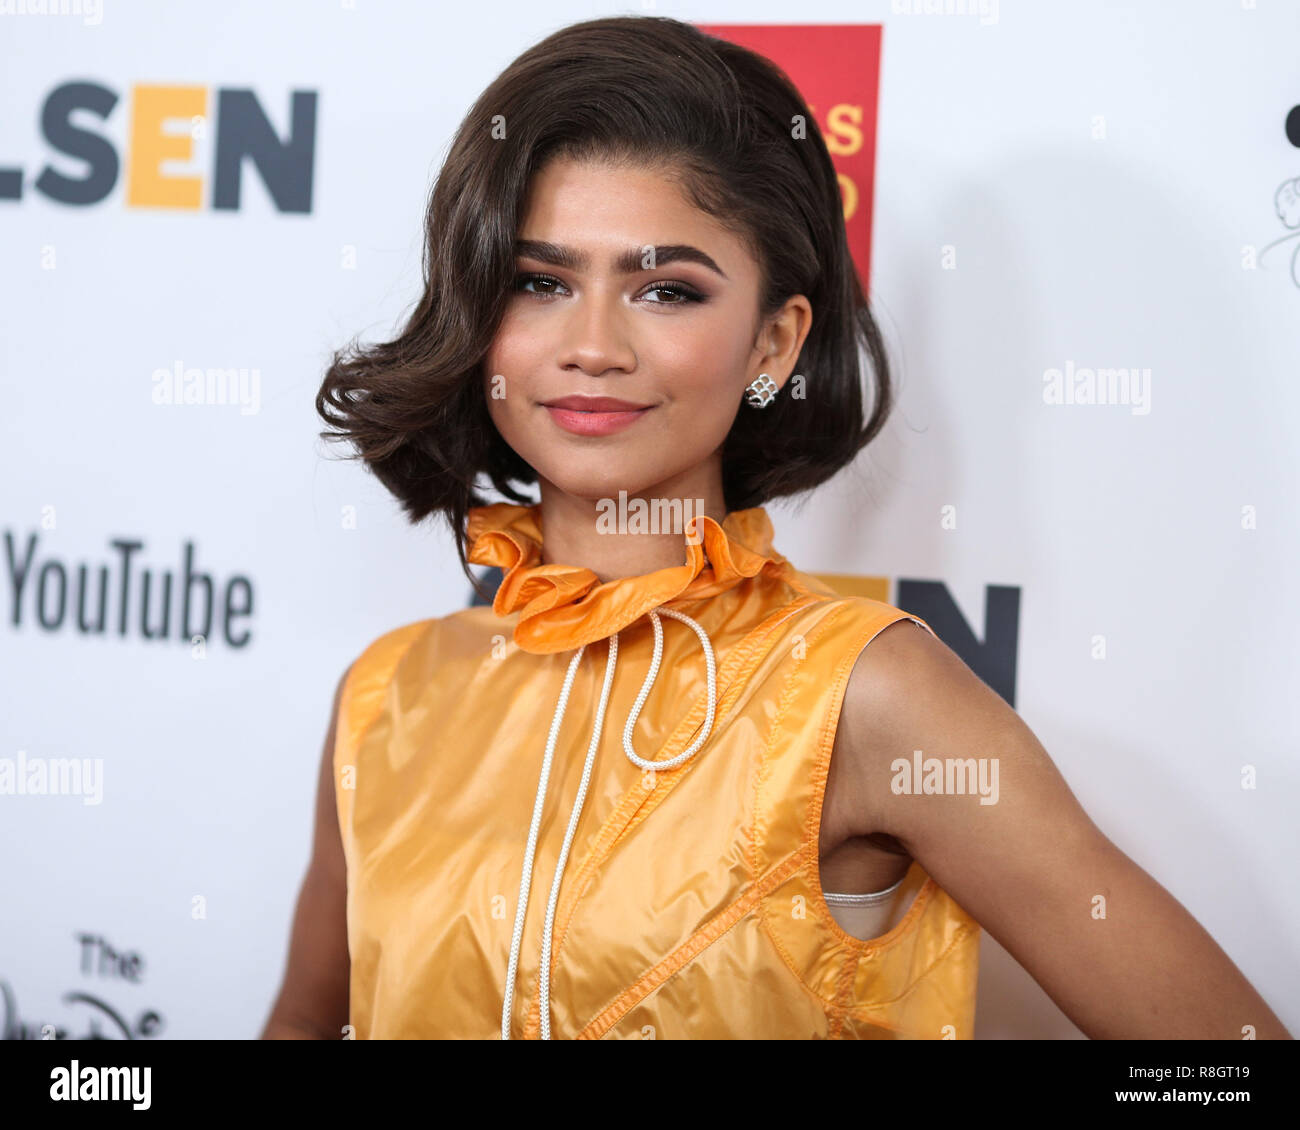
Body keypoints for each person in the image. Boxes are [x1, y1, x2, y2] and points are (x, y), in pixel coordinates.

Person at [260, 15, 1291, 1040]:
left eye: (665, 289)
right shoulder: (388, 695)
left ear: (772, 342)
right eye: (540, 283)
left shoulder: (864, 694)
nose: (591, 345)